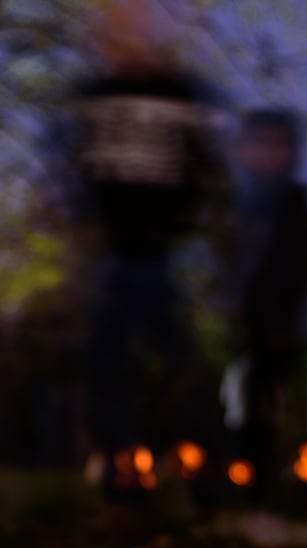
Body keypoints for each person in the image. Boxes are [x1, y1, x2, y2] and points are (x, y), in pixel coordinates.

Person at [65, 0, 226, 508]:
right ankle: (122, 470)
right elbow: (75, 165)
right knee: (107, 366)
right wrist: (85, 225)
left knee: (178, 367)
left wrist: (182, 225)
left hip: (160, 255)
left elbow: (205, 169)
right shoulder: (95, 95)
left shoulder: (179, 94)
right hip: (110, 253)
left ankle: (202, 470)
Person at [230, 107, 307, 514]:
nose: (269, 155)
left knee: (283, 406)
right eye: (261, 144)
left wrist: (291, 316)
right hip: (247, 327)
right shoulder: (241, 203)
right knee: (250, 405)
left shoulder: (296, 202)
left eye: (278, 145)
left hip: (283, 325)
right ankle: (256, 483)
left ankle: (291, 491)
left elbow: (304, 262)